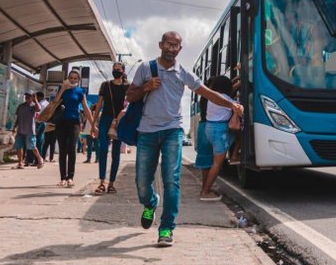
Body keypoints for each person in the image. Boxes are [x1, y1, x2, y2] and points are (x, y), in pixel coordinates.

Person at [127, 31, 242, 247]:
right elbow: (130, 96)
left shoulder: (183, 73)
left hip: (173, 131)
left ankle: (167, 228)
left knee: (172, 180)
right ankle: (151, 202)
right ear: (161, 44)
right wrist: (146, 87)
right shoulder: (145, 68)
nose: (171, 48)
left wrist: (231, 105)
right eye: (168, 44)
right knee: (142, 183)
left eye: (176, 46)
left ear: (180, 49)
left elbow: (208, 93)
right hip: (147, 132)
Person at [197, 75, 239, 201]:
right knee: (217, 164)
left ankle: (205, 188)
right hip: (220, 131)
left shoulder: (210, 99)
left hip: (208, 129)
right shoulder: (228, 101)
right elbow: (238, 109)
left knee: (208, 163)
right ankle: (205, 192)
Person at [48, 70, 93, 187]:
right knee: (62, 150)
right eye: (71, 78)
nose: (72, 80)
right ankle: (62, 177)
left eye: (75, 78)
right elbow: (55, 101)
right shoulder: (62, 89)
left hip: (74, 123)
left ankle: (70, 177)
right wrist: (63, 88)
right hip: (61, 122)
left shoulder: (80, 91)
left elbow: (86, 108)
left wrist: (93, 124)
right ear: (67, 78)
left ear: (78, 80)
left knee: (71, 149)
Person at [92, 62, 129, 195]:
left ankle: (112, 183)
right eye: (114, 69)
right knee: (102, 150)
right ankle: (102, 182)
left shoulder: (128, 86)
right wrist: (93, 123)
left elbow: (130, 104)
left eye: (118, 69)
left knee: (116, 153)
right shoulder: (105, 85)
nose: (116, 71)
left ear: (123, 71)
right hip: (105, 119)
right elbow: (99, 105)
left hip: (120, 121)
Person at [13, 91, 44, 169]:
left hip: (30, 130)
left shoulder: (34, 106)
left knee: (32, 146)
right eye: (26, 96)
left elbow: (39, 109)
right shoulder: (21, 106)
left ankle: (40, 159)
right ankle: (20, 162)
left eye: (29, 96)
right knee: (19, 146)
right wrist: (14, 127)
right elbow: (18, 118)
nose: (27, 98)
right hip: (20, 130)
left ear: (33, 98)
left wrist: (35, 100)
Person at [26, 92, 49, 166]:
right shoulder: (46, 103)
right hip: (44, 123)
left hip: (38, 123)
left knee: (33, 142)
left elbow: (37, 114)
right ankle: (38, 159)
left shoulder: (41, 104)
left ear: (38, 97)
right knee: (39, 142)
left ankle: (34, 160)